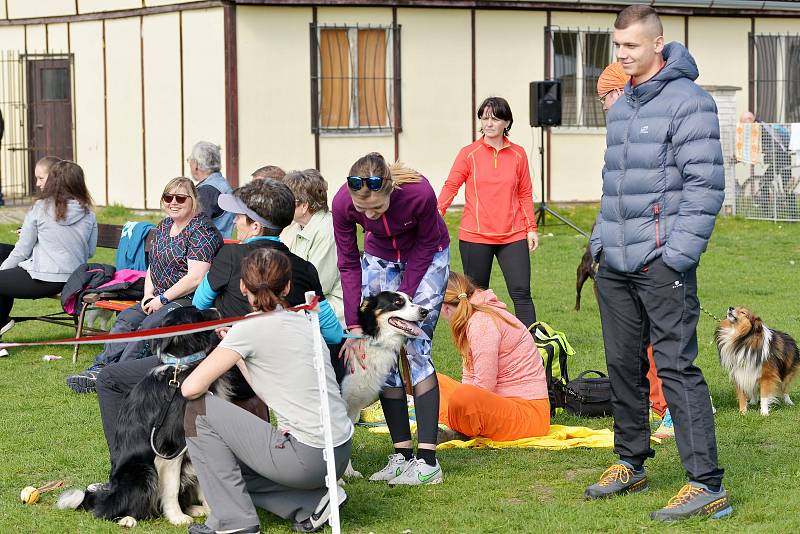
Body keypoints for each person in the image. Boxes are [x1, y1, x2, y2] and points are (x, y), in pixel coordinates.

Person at [586, 5, 730, 521]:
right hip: (615, 263)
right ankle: (632, 461)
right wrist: (600, 244)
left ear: (658, 43)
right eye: (617, 46)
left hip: (662, 264)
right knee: (623, 365)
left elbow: (705, 185)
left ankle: (705, 482)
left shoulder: (690, 101)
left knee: (674, 368)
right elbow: (614, 182)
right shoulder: (622, 103)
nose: (622, 55)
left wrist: (676, 257)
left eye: (631, 46)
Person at [92, 179, 342, 470]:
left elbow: (199, 305)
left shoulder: (230, 256)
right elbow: (332, 331)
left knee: (109, 379)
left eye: (239, 217)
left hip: (223, 372)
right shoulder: (305, 268)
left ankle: (122, 471)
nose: (235, 221)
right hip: (276, 378)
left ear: (255, 226)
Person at [182, 248, 353, 534]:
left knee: (198, 411)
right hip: (337, 452)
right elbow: (271, 388)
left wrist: (234, 342)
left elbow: (191, 388)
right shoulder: (304, 320)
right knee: (223, 465)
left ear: (241, 287)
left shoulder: (249, 328)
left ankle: (235, 523)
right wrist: (238, 353)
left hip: (306, 458)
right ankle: (313, 502)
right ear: (287, 287)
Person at [333, 152, 450, 485]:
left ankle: (427, 463)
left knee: (417, 348)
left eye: (378, 209)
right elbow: (347, 263)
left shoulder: (419, 194)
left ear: (390, 191)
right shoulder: (342, 203)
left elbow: (427, 244)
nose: (369, 214)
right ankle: (402, 455)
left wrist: (405, 300)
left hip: (427, 256)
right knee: (380, 347)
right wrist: (355, 326)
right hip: (379, 258)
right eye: (363, 210)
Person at [66, 177, 222, 393]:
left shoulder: (202, 231)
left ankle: (120, 376)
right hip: (157, 296)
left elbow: (195, 278)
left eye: (180, 198)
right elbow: (153, 265)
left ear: (193, 200)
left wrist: (163, 299)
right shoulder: (165, 225)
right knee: (126, 319)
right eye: (168, 197)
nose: (173, 202)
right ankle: (101, 367)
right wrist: (148, 294)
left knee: (150, 326)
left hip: (187, 300)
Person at [597, 62, 672, 436]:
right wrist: (600, 245)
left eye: (605, 98)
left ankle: (671, 408)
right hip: (619, 255)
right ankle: (645, 416)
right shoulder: (618, 135)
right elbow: (610, 195)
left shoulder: (654, 125)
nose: (604, 107)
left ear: (619, 93)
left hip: (656, 253)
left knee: (662, 339)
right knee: (630, 346)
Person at [438, 96, 539, 329]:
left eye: (494, 118)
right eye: (484, 118)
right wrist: (435, 216)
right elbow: (451, 186)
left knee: (522, 293)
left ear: (507, 122)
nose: (489, 123)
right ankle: (478, 346)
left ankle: (531, 352)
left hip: (512, 235)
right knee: (476, 297)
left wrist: (531, 228)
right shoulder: (468, 153)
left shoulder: (518, 154)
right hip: (475, 236)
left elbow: (525, 192)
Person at [437, 272, 549, 442]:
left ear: (445, 307)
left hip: (528, 415)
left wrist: (463, 406)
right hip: (500, 403)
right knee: (432, 383)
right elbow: (470, 377)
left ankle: (459, 429)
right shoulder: (473, 315)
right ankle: (461, 427)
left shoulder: (481, 323)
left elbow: (483, 386)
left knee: (462, 398)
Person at [0, 160, 97, 356]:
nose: (37, 183)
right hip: (74, 278)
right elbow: (90, 251)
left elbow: (22, 251)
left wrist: (3, 272)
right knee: (2, 251)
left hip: (43, 279)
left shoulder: (40, 207)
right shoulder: (88, 212)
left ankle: (1, 322)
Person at [280, 169, 344, 324]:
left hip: (328, 314)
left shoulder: (328, 230)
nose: (280, 206)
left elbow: (318, 285)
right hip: (298, 306)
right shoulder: (294, 226)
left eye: (285, 202)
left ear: (303, 206)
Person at [188, 141, 235, 238]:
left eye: (190, 160)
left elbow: (193, 226)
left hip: (208, 248)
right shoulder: (221, 184)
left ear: (196, 164)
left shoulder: (207, 191)